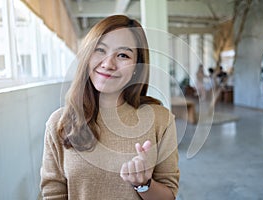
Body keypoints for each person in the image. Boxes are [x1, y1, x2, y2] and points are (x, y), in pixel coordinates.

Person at [40, 15, 180, 200]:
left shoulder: (160, 120)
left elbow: (169, 196)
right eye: (100, 50)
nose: (108, 64)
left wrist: (143, 184)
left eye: (123, 55)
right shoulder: (59, 122)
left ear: (137, 67)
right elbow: (53, 194)